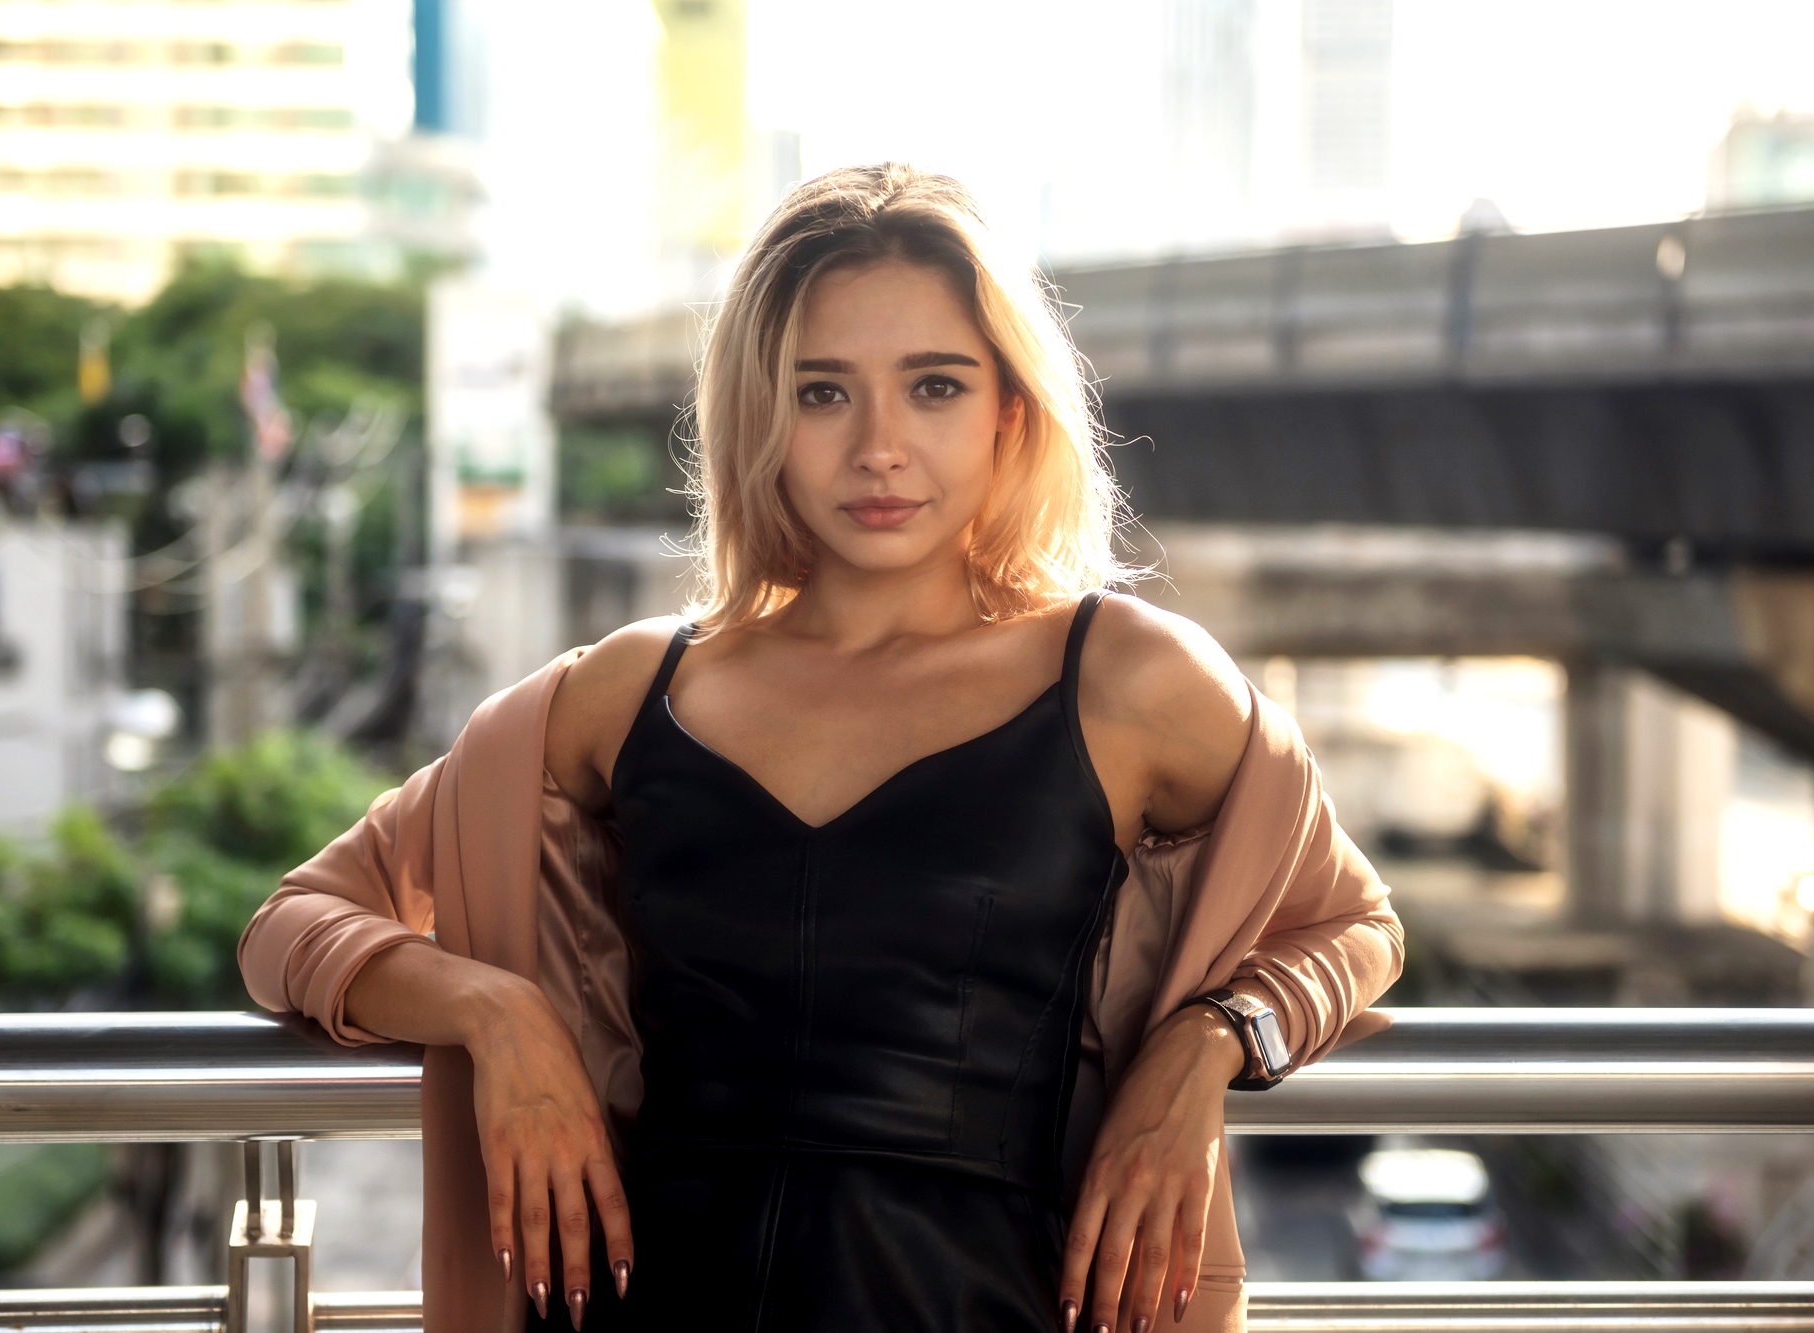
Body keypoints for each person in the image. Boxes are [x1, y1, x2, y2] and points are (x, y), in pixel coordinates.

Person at [240, 164, 1401, 1333]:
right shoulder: (627, 693)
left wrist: (1206, 1045)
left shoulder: (1126, 678)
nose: (879, 449)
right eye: (822, 393)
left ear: (1009, 412)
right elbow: (294, 926)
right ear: (761, 417)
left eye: (934, 386)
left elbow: (1355, 928)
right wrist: (494, 1013)